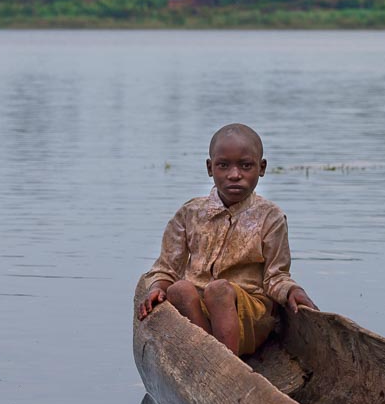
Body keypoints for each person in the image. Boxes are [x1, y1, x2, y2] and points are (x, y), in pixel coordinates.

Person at [136, 123, 318, 355]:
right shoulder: (190, 213)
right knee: (180, 289)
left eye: (245, 166)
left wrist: (292, 291)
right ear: (210, 168)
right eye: (223, 166)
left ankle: (227, 364)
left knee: (219, 291)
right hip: (199, 315)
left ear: (261, 168)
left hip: (249, 317)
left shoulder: (270, 217)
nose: (234, 175)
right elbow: (166, 267)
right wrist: (158, 287)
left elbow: (276, 276)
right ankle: (211, 356)